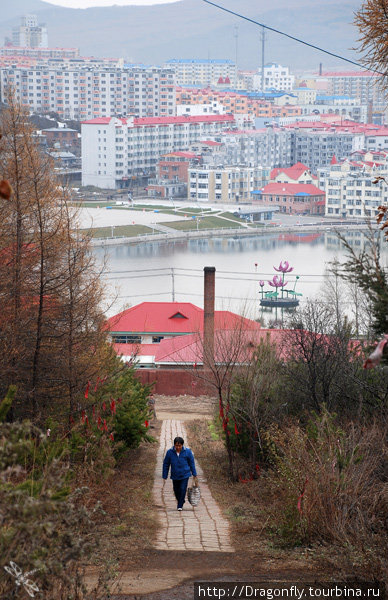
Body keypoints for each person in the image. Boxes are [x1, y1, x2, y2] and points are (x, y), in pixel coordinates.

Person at [162, 436, 198, 511]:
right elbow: (166, 464)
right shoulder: (170, 452)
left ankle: (180, 505)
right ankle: (181, 500)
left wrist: (194, 473)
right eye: (176, 445)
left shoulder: (187, 452)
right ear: (174, 445)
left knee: (182, 488)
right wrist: (164, 475)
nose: (178, 447)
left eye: (179, 445)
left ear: (182, 445)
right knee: (176, 490)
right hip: (175, 475)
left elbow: (191, 463)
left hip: (185, 474)